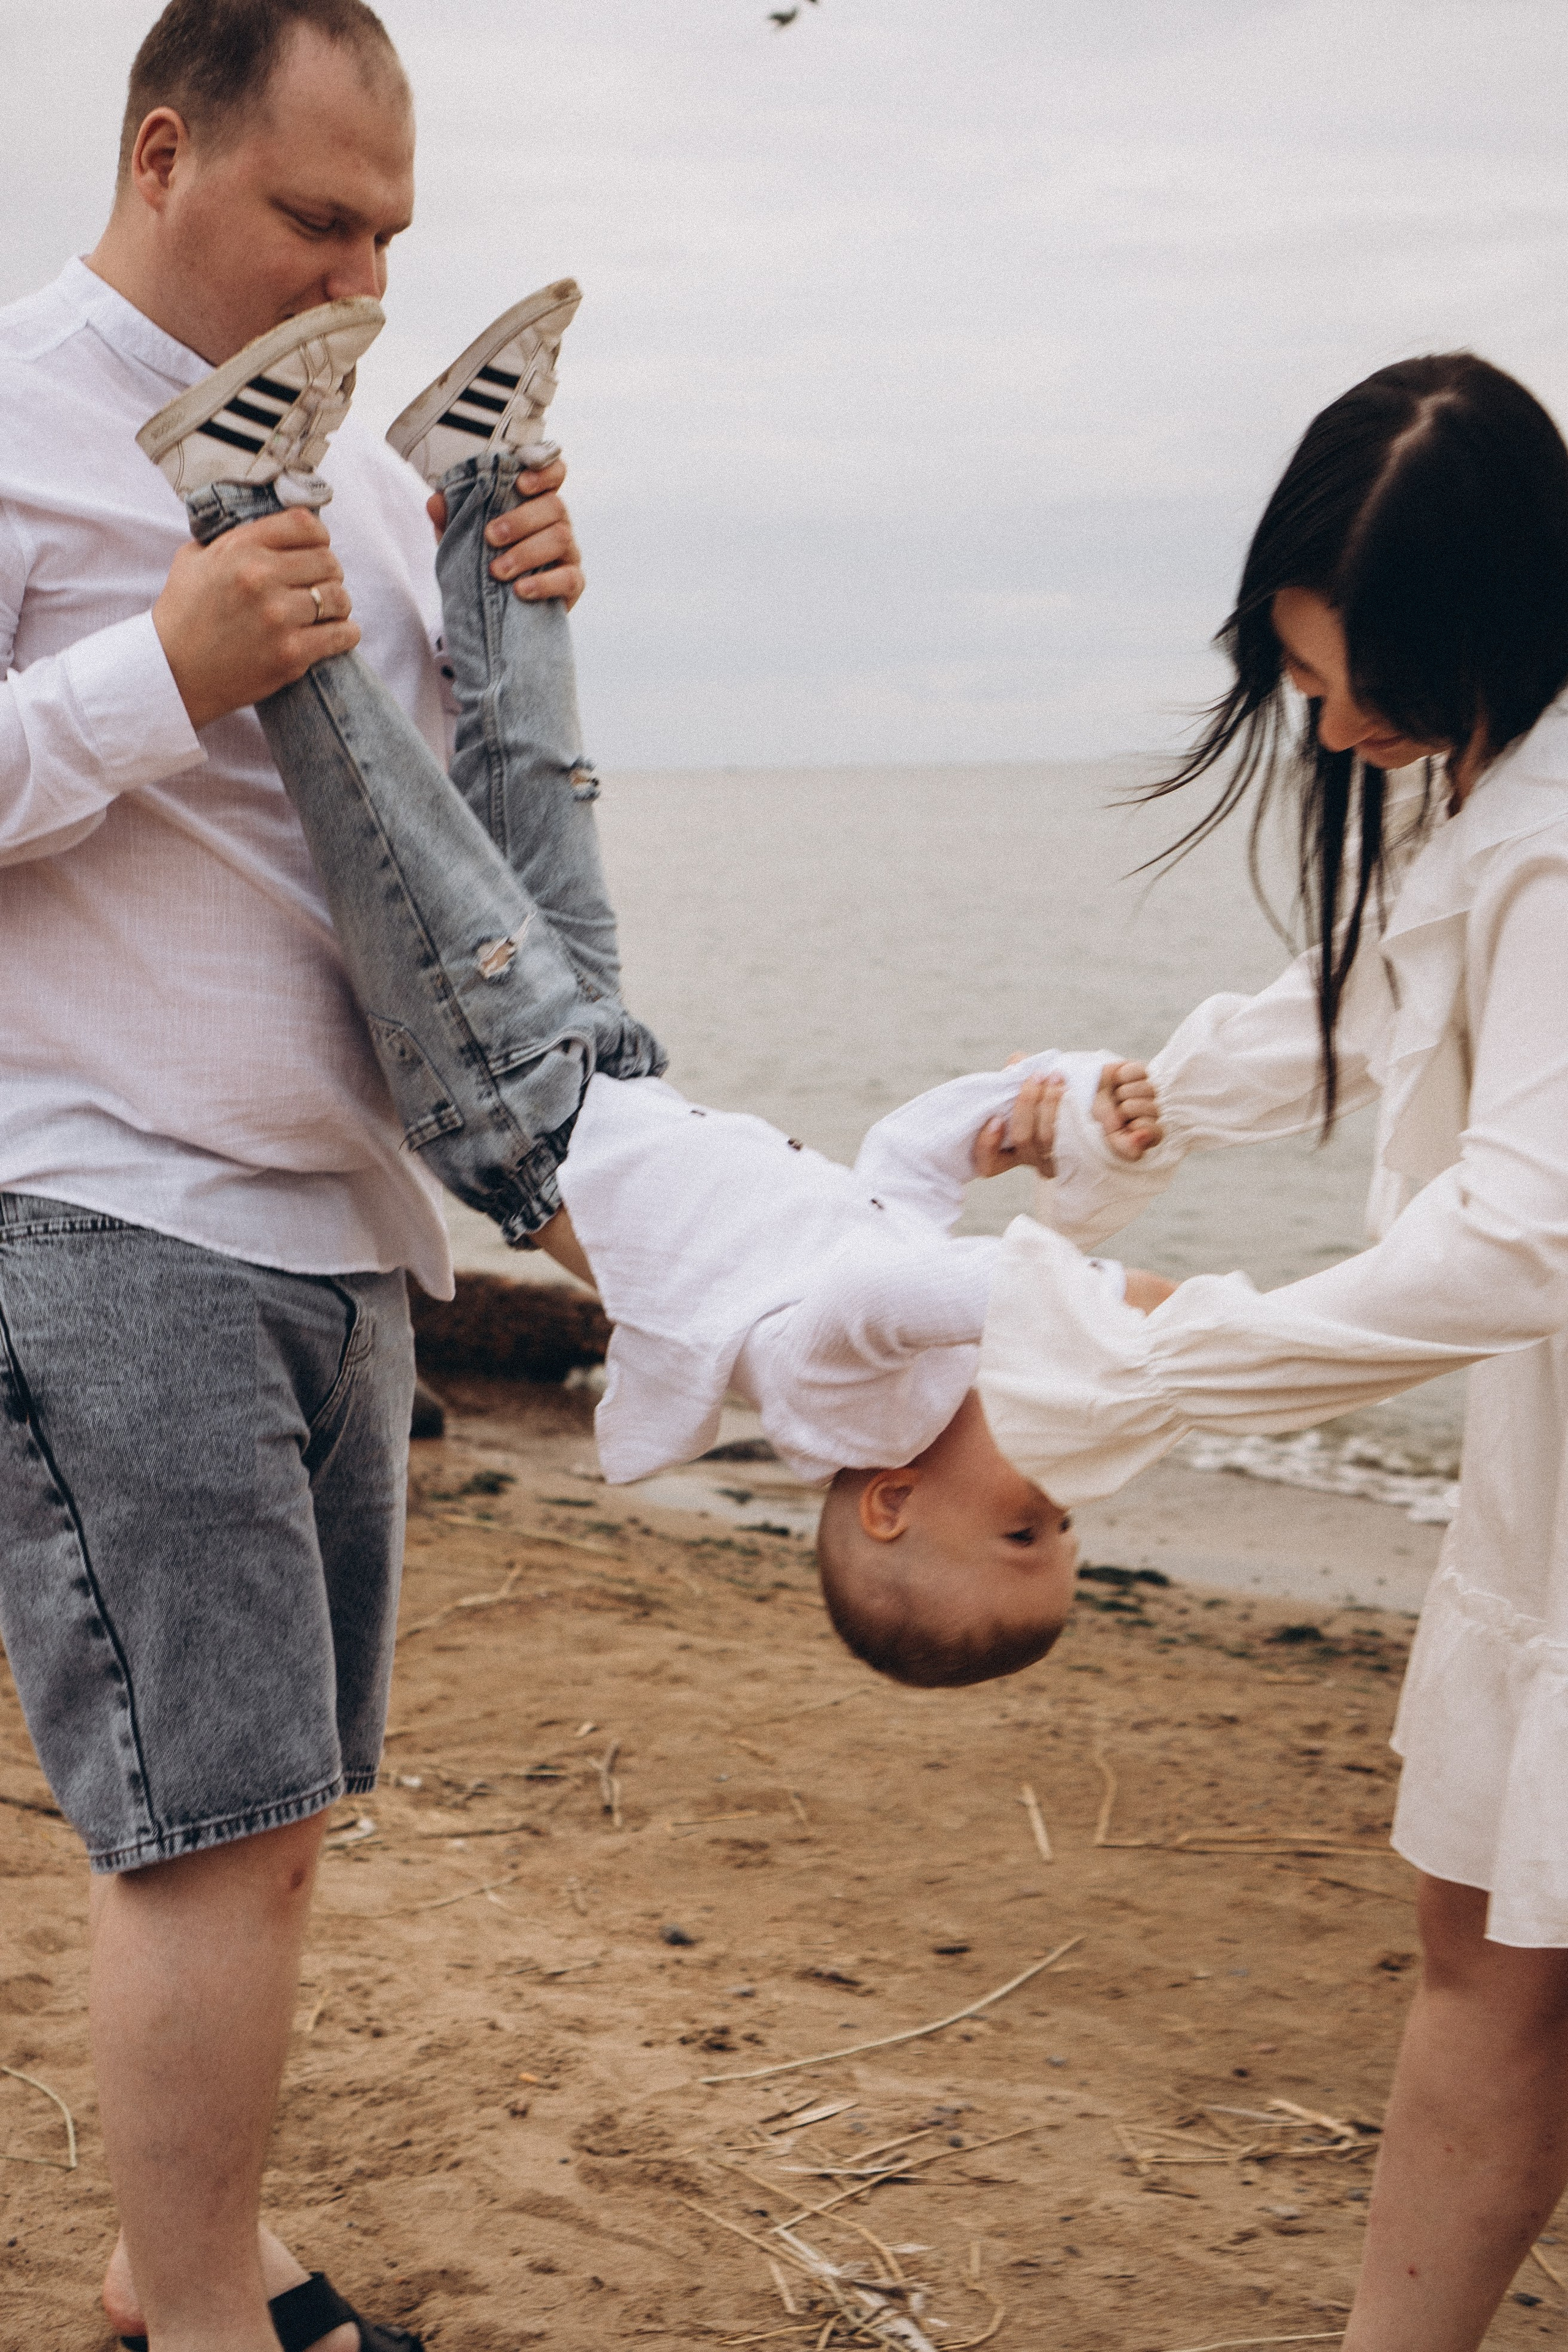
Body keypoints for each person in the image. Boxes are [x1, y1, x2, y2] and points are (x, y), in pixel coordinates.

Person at [137, 295, 1177, 1698]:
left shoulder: (840, 1400)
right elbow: (898, 1175)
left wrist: (1115, 1306)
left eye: (1022, 1529)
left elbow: (888, 1281)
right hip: (601, 1069)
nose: (1057, 1498)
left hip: (517, 1111)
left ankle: (236, 499)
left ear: (889, 1506)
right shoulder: (909, 1374)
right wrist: (1018, 1114)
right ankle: (478, 475)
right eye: (1065, 1530)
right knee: (539, 781)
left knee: (394, 815)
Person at [0, 6, 584, 2349]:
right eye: (318, 221)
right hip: (104, 1203)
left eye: (390, 237)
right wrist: (157, 665)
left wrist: (510, 608)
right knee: (212, 1831)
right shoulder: (16, 409)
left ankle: (185, 2265)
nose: (362, 279)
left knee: (276, 1820)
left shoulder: (330, 467)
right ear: (163, 154)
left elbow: (401, 850)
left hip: (340, 1226)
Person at [971, 352, 1568, 2352]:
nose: (1325, 723)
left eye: (1355, 679)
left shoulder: (1557, 832)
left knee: (1507, 1964)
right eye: (1303, 673)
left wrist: (1174, 1359)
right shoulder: (1491, 783)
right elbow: (1383, 994)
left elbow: (1525, 1230)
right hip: (1542, 1487)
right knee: (1484, 1948)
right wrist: (1142, 1106)